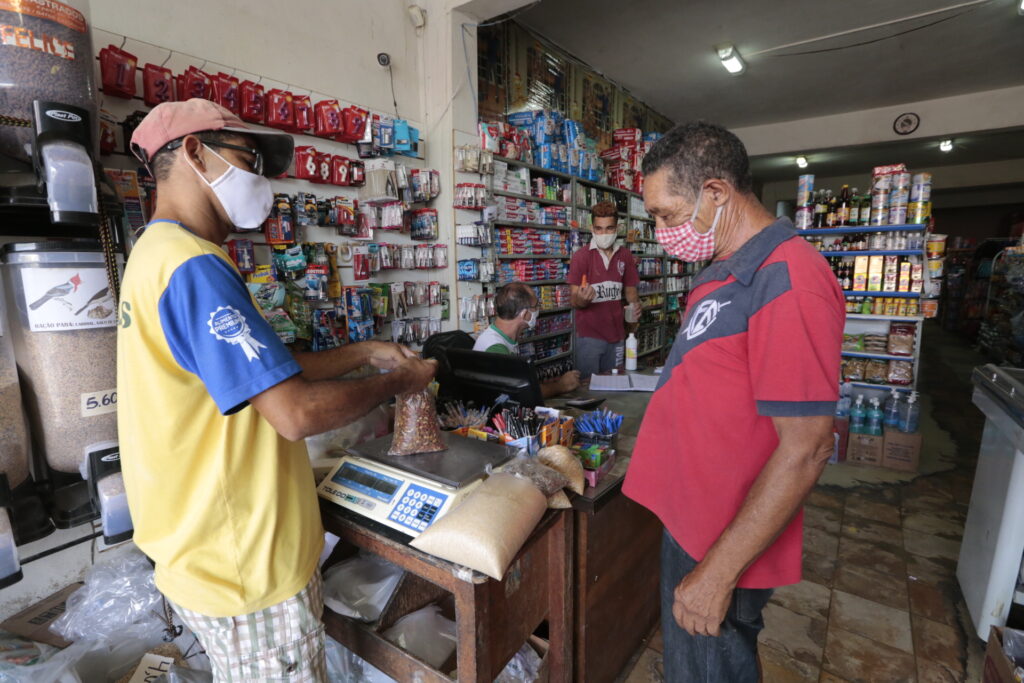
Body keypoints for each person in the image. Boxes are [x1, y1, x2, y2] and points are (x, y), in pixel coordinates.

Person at [117, 99, 437, 682]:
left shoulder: (154, 255)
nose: (261, 179)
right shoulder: (194, 267)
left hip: (204, 553)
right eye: (248, 158)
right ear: (194, 152)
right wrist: (400, 381)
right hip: (243, 567)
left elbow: (270, 369)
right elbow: (293, 412)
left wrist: (364, 351)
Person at [622, 122, 844, 682]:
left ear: (716, 193)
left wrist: (719, 573)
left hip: (723, 537)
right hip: (694, 520)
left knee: (708, 669)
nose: (660, 231)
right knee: (691, 666)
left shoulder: (789, 278)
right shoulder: (727, 269)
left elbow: (808, 449)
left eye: (667, 215)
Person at [567, 201, 641, 379]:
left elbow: (631, 292)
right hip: (589, 336)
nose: (604, 234)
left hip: (617, 334)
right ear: (592, 228)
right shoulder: (581, 257)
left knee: (615, 384)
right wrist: (583, 299)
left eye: (609, 228)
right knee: (587, 387)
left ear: (617, 228)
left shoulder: (625, 256)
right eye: (599, 229)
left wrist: (636, 308)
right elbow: (574, 300)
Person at [472, 282, 580, 397]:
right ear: (524, 314)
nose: (538, 310)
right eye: (535, 307)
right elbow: (523, 393)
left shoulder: (504, 337)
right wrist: (561, 385)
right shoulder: (495, 348)